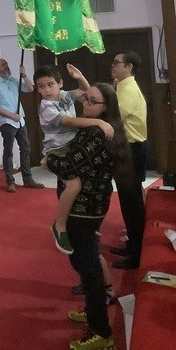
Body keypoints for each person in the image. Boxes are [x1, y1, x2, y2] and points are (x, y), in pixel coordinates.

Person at [58, 83, 133, 350]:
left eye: (92, 101)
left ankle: (101, 332)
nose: (86, 104)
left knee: (87, 264)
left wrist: (48, 160)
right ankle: (93, 311)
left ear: (105, 107)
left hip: (85, 207)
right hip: (89, 204)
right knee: (85, 259)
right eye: (85, 99)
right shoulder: (98, 127)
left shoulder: (97, 134)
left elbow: (70, 164)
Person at [34, 65, 114, 255]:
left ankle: (85, 224)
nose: (46, 90)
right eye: (41, 86)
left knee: (82, 181)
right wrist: (98, 121)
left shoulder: (65, 96)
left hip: (71, 145)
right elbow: (69, 122)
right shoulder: (46, 107)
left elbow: (86, 92)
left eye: (50, 84)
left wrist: (80, 76)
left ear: (60, 84)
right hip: (58, 149)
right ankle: (59, 226)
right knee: (74, 185)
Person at [110, 51, 147, 269]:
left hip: (132, 149)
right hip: (130, 148)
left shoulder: (128, 89)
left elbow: (114, 118)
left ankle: (136, 253)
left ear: (129, 66)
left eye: (117, 63)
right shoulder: (124, 86)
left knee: (132, 203)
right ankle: (133, 244)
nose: (112, 66)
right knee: (128, 200)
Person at [0, 58, 44, 192]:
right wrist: (12, 116)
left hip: (20, 121)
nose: (6, 66)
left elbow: (30, 89)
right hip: (7, 122)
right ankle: (10, 182)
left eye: (6, 63)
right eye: (3, 64)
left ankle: (28, 179)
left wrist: (24, 75)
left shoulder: (13, 80)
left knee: (26, 149)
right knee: (8, 152)